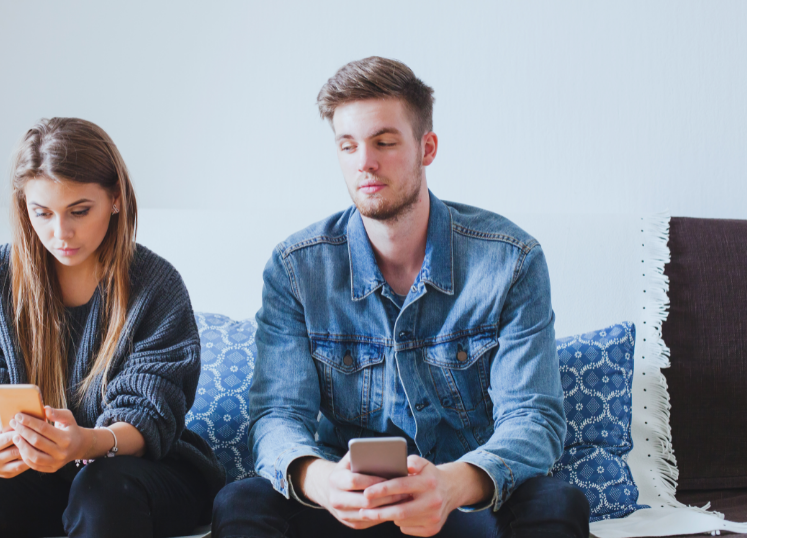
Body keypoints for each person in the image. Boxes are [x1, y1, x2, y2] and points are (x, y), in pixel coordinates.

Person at [212, 58, 589, 538]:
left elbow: (534, 418)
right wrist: (324, 481)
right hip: (347, 506)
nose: (365, 162)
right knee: (241, 502)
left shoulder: (512, 261)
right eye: (348, 146)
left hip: (466, 498)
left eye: (384, 143)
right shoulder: (296, 268)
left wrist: (453, 484)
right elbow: (278, 416)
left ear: (426, 147)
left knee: (557, 503)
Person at [0, 118, 225, 538]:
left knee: (101, 489)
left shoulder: (156, 285)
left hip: (142, 474)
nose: (60, 233)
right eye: (41, 213)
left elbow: (151, 412)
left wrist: (85, 443)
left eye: (80, 211)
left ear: (115, 198)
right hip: (39, 479)